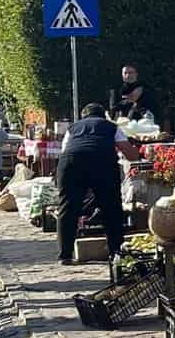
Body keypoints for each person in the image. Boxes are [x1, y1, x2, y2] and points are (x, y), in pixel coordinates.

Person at [56, 103, 136, 265]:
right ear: (102, 115)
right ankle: (115, 251)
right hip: (101, 162)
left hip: (71, 163)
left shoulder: (73, 128)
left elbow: (66, 150)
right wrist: (136, 149)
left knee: (68, 207)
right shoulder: (111, 127)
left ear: (83, 116)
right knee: (111, 206)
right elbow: (130, 154)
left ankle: (65, 254)